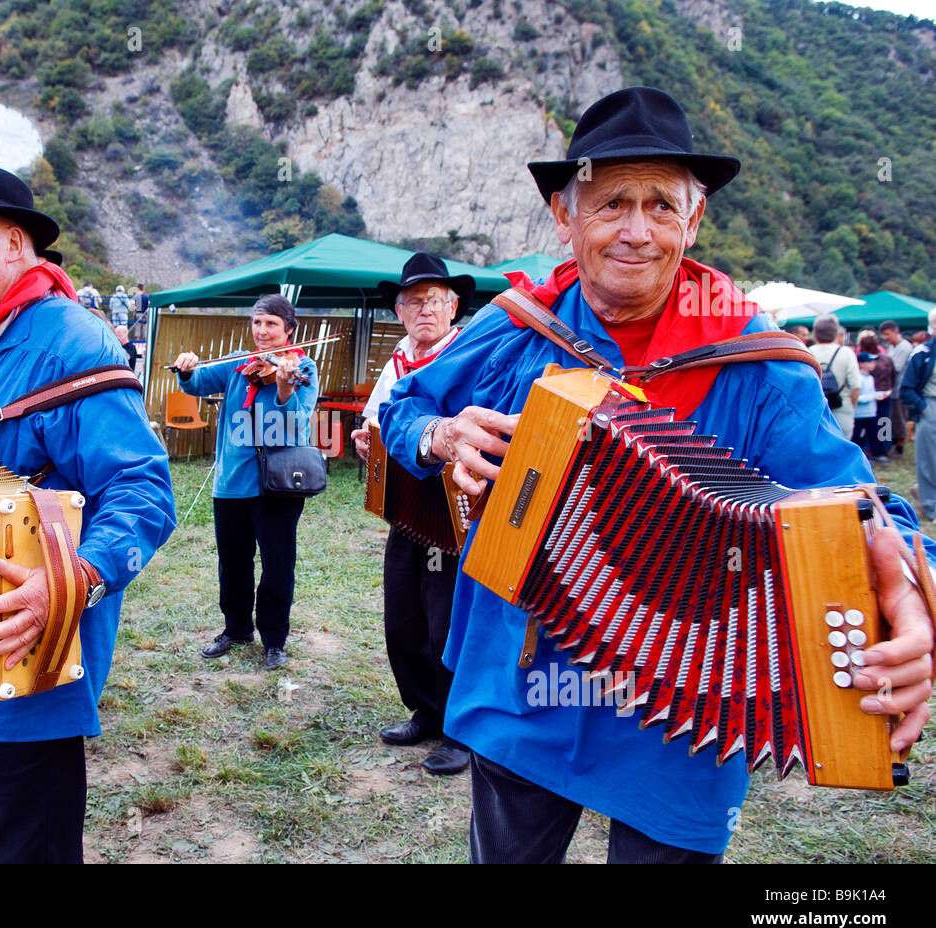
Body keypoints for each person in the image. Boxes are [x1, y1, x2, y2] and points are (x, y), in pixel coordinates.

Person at [380, 86, 933, 863]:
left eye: (662, 206)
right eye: (611, 203)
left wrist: (911, 580)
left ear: (694, 219)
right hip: (521, 677)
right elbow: (403, 408)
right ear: (564, 215)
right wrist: (439, 433)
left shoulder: (755, 359)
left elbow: (856, 503)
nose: (637, 232)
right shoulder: (514, 327)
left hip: (684, 703)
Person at [0, 163, 174, 863]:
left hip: (21, 683)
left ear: (17, 245)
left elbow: (143, 490)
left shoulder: (68, 343)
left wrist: (75, 575)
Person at [351, 252, 473, 776]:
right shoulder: (396, 360)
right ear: (399, 311)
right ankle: (425, 708)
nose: (424, 310)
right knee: (404, 615)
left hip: (456, 510)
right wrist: (363, 440)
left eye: (435, 300)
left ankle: (460, 730)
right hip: (406, 509)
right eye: (414, 301)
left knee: (449, 619)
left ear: (453, 308)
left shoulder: (469, 353)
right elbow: (375, 422)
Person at [173, 294, 318, 670]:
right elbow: (198, 382)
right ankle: (236, 628)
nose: (262, 330)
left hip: (279, 484)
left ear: (289, 328)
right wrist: (187, 369)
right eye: (257, 323)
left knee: (277, 563)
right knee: (233, 562)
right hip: (233, 480)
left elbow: (299, 421)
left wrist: (285, 388)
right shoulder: (240, 364)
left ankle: (274, 639)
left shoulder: (303, 366)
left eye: (271, 323)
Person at [901, 308, 936, 520]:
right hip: (931, 405)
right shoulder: (922, 353)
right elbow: (906, 388)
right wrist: (923, 407)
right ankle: (931, 505)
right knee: (929, 460)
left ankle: (923, 493)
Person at [809, 315, 859, 437]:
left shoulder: (807, 351)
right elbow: (856, 386)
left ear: (815, 334)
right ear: (837, 333)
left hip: (815, 409)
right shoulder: (846, 352)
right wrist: (852, 406)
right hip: (842, 407)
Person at [881, 320, 912, 457]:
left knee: (898, 419)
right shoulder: (892, 347)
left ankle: (899, 445)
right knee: (888, 419)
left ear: (896, 332)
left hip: (899, 390)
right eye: (883, 335)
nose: (885, 338)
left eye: (887, 334)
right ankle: (889, 444)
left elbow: (897, 367)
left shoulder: (904, 347)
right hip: (890, 389)